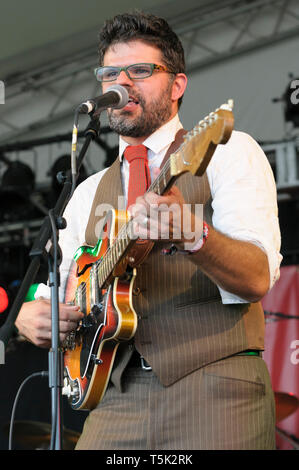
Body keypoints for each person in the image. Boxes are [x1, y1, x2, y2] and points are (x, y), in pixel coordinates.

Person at [16, 11, 282, 450]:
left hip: (214, 386)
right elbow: (48, 289)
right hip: (113, 395)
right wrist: (31, 316)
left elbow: (255, 278)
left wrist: (194, 234)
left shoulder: (228, 151)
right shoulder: (85, 192)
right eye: (110, 73)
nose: (123, 83)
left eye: (140, 70)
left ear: (177, 86)